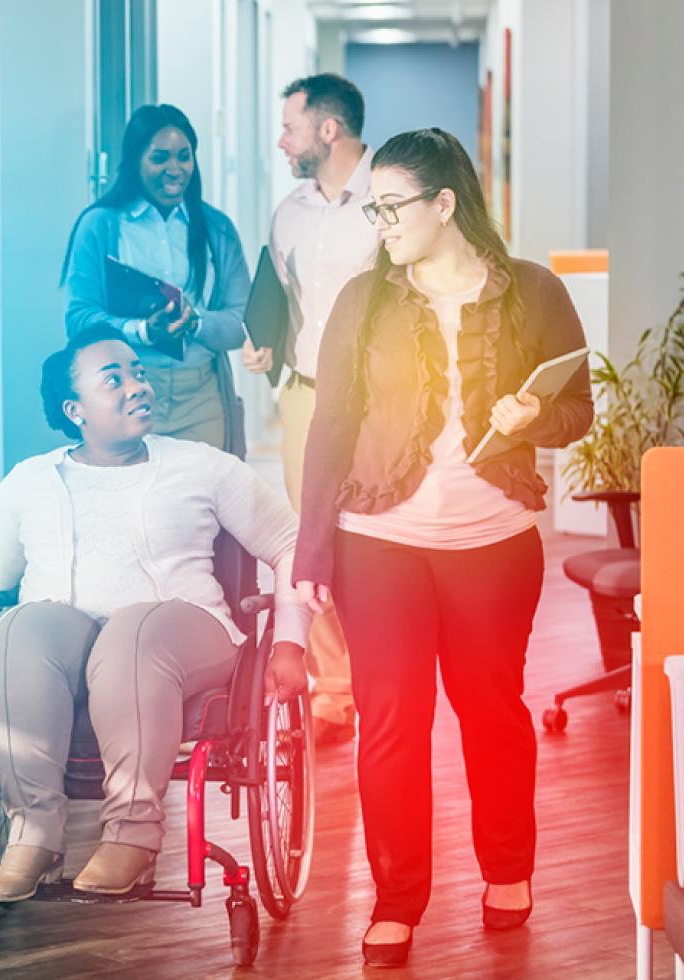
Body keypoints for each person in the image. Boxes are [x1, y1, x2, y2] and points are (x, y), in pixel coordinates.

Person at [281, 128, 593, 967]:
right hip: (376, 542)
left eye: (390, 207)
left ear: (443, 204)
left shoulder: (533, 292)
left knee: (490, 711)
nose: (378, 223)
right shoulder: (363, 300)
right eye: (373, 208)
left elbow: (578, 413)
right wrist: (311, 555)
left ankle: (506, 867)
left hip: (493, 542)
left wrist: (535, 418)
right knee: (391, 722)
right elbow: (330, 429)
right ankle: (395, 898)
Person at [0, 325, 311, 903]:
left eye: (138, 373)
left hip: (183, 632)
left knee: (133, 632)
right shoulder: (30, 482)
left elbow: (292, 541)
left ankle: (134, 834)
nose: (136, 386)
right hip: (68, 649)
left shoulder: (202, 466)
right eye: (113, 379)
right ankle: (34, 833)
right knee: (19, 627)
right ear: (75, 409)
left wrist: (290, 640)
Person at [243, 73, 378, 745]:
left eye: (290, 127)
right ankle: (335, 692)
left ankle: (386, 679)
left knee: (378, 535)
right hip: (305, 392)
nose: (280, 140)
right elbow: (276, 285)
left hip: (379, 397)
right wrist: (261, 339)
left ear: (328, 130)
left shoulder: (391, 194)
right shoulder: (290, 210)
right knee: (310, 541)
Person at [61, 104, 250, 455]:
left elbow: (242, 324)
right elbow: (78, 319)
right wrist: (143, 330)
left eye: (184, 156)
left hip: (202, 395)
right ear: (136, 161)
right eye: (160, 158)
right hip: (128, 392)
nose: (175, 169)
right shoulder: (100, 224)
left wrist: (195, 322)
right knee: (133, 503)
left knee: (201, 503)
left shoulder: (216, 228)